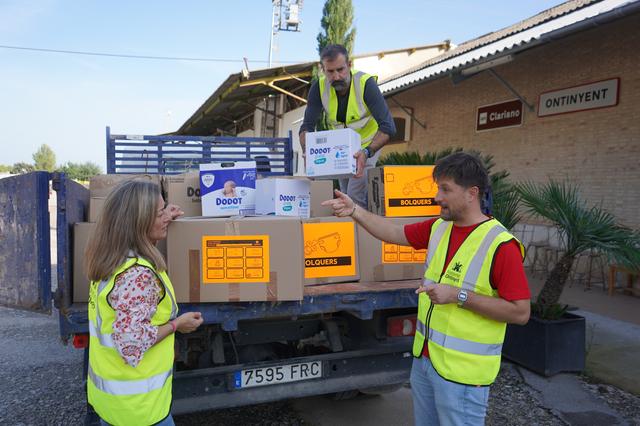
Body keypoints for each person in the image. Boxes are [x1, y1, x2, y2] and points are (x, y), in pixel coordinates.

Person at [322, 152, 531, 426]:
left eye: (445, 189)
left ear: (472, 193)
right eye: (438, 188)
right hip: (425, 361)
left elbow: (520, 313)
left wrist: (458, 296)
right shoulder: (440, 228)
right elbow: (395, 233)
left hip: (463, 376)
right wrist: (355, 211)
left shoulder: (502, 246)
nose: (437, 197)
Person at [84, 180, 204, 426]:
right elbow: (131, 343)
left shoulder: (114, 260)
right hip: (139, 411)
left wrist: (161, 217)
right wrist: (176, 325)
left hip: (113, 402)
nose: (166, 216)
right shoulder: (137, 276)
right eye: (160, 212)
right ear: (139, 222)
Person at [299, 43, 396, 208]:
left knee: (354, 195)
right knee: (344, 194)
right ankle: (350, 230)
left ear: (349, 65)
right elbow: (306, 126)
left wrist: (367, 152)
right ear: (322, 69)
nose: (336, 76)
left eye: (341, 70)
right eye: (330, 71)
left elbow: (388, 127)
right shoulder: (319, 87)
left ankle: (361, 232)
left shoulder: (366, 84)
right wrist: (308, 153)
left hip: (368, 145)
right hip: (340, 149)